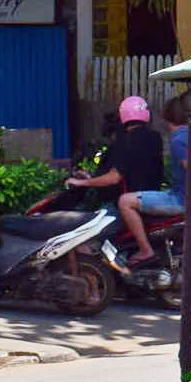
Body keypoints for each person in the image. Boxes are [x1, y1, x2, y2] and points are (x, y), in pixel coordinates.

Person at [67, 95, 169, 260]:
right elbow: (136, 167)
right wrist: (91, 177)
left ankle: (108, 272)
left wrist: (81, 182)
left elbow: (114, 178)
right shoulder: (155, 138)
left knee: (83, 238)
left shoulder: (125, 141)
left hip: (127, 206)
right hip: (150, 197)